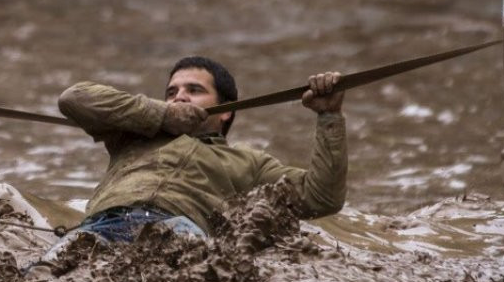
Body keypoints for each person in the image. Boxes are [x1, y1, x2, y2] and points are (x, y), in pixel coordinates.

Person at [47, 56, 346, 254]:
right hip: (102, 225)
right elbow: (74, 98)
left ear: (226, 110)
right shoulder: (133, 133)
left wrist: (328, 116)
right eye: (171, 92)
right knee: (40, 280)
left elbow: (322, 197)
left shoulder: (250, 163)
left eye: (194, 90)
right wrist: (163, 115)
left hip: (180, 232)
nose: (179, 96)